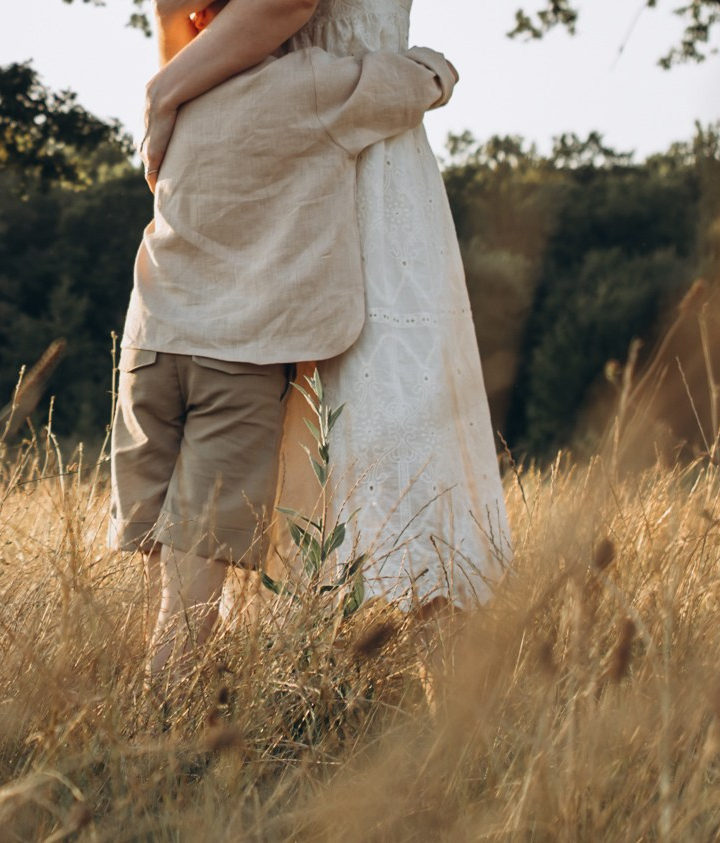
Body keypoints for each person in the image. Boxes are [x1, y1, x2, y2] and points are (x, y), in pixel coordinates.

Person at [81, 0, 514, 634]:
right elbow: (201, 104)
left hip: (367, 168)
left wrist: (163, 89)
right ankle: (310, 704)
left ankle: (462, 714)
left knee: (393, 423)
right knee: (275, 452)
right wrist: (169, 29)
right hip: (267, 222)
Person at [111, 34, 459, 681]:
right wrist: (438, 65)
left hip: (149, 345)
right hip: (233, 357)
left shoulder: (178, 86)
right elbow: (415, 87)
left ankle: (155, 684)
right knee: (197, 569)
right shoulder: (310, 85)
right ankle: (159, 717)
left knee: (161, 550)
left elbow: (154, 167)